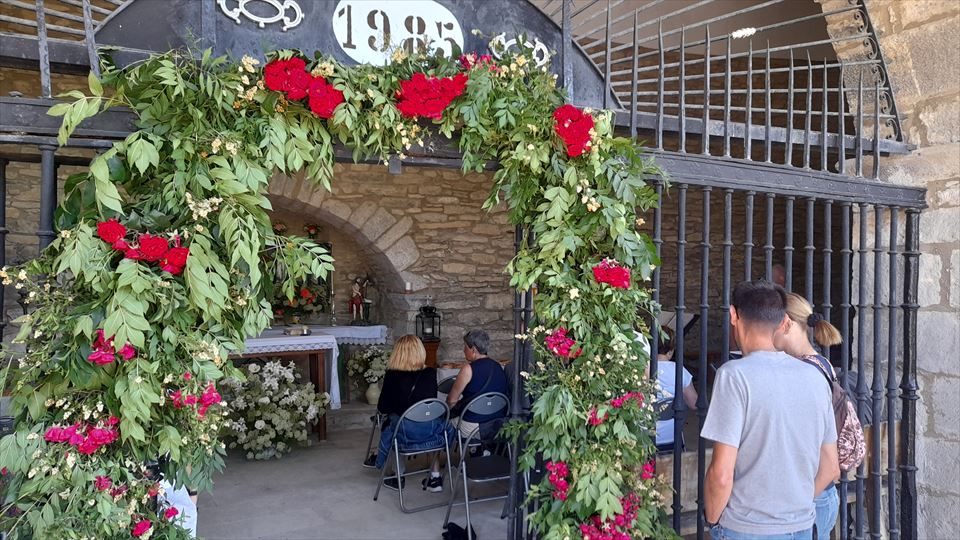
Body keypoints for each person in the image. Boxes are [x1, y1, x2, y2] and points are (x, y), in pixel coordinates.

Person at [702, 280, 839, 540]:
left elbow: (721, 474)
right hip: (802, 526)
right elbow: (831, 465)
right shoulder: (815, 377)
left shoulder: (733, 375)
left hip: (746, 528)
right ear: (782, 322)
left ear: (733, 315)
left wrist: (713, 520)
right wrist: (793, 507)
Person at [774, 292, 843, 540]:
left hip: (810, 496)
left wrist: (796, 503)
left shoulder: (803, 371)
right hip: (819, 494)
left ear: (786, 322)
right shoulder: (821, 363)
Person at [365, 335, 454, 492]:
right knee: (429, 417)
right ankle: (435, 476)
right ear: (420, 351)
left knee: (392, 424)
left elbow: (383, 407)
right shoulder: (430, 373)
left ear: (398, 352)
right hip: (431, 432)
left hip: (406, 434)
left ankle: (397, 476)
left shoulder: (393, 375)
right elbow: (429, 404)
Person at [649, 327, 698, 452]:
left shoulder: (642, 370)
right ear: (671, 351)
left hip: (646, 439)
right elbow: (694, 404)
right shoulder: (679, 371)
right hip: (672, 438)